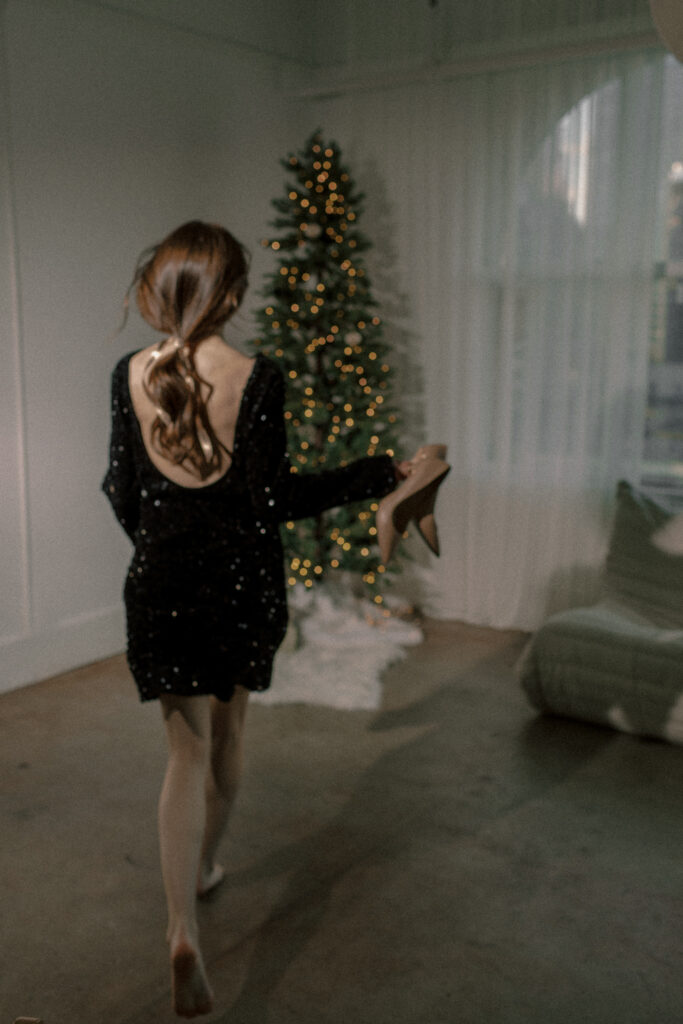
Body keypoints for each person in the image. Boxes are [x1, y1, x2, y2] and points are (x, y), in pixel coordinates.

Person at [102, 220, 449, 1017]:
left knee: (180, 756)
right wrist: (376, 475)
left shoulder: (127, 374)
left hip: (158, 586)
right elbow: (273, 503)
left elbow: (121, 492)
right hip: (238, 586)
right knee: (228, 738)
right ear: (229, 295)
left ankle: (181, 927)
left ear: (162, 288)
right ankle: (204, 868)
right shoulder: (259, 377)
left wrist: (162, 552)